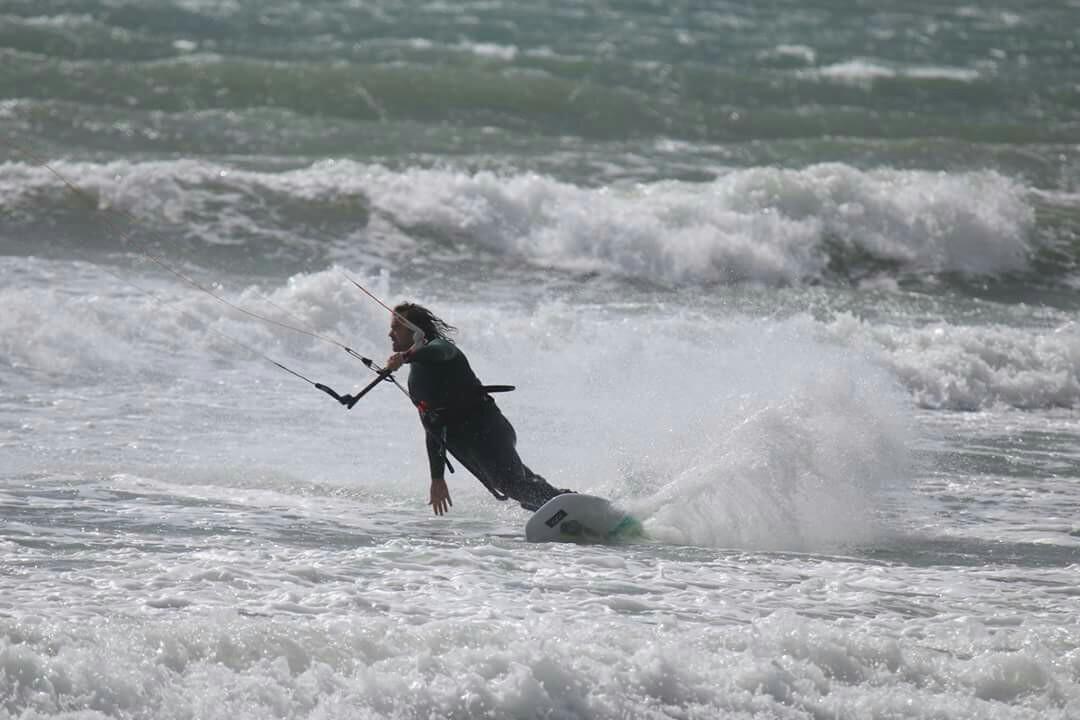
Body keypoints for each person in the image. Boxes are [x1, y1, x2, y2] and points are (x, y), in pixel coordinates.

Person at [382, 303, 569, 515]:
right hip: (468, 440)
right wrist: (437, 478)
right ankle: (565, 508)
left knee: (512, 484)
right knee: (519, 483)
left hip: (487, 429)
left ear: (416, 332)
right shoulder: (416, 377)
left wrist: (406, 357)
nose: (390, 333)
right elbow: (431, 427)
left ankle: (567, 508)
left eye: (397, 327)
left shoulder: (440, 348)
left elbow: (440, 352)